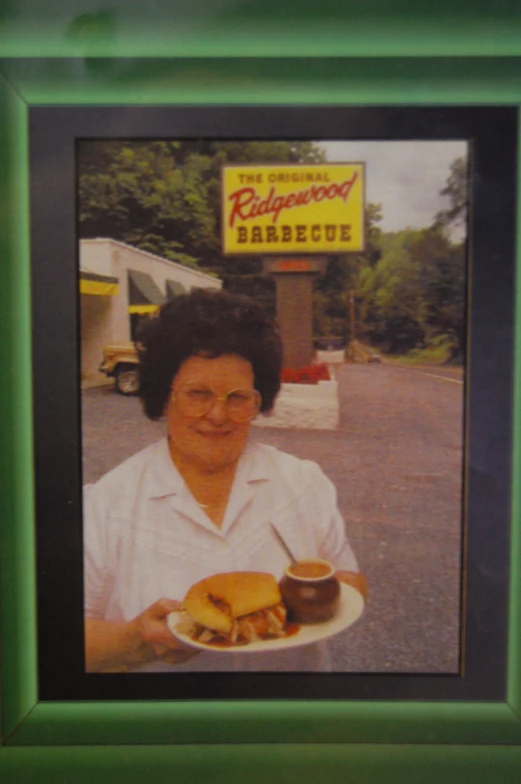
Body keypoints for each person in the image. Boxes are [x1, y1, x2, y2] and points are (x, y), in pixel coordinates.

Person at [84, 287, 366, 672]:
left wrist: (334, 596)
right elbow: (59, 641)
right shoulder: (105, 506)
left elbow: (348, 579)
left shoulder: (304, 483)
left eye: (237, 397)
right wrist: (136, 642)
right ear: (164, 398)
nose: (217, 414)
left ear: (258, 401)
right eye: (197, 394)